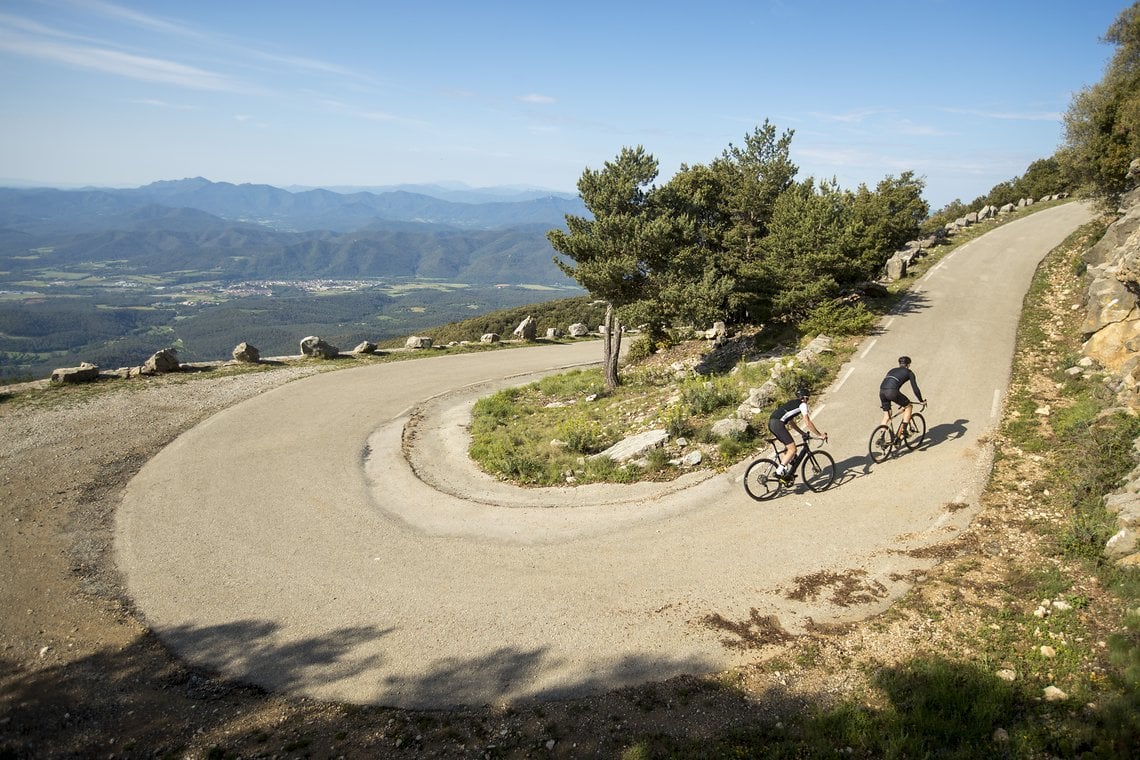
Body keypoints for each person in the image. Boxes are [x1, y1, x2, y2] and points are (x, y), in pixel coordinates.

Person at [768, 386, 827, 480]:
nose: (807, 401)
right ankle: (778, 472)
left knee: (788, 448)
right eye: (807, 398)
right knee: (793, 449)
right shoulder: (802, 405)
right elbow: (807, 422)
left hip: (772, 423)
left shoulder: (791, 403)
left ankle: (785, 472)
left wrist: (802, 433)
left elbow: (792, 424)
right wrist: (820, 435)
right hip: (778, 424)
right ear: (804, 398)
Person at [879, 355, 926, 429]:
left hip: (882, 391)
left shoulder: (892, 370)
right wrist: (921, 401)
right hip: (892, 391)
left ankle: (881, 437)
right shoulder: (909, 372)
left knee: (887, 415)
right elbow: (915, 389)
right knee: (909, 406)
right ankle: (904, 431)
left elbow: (890, 382)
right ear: (908, 365)